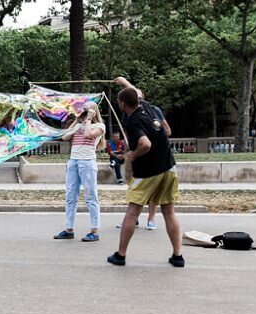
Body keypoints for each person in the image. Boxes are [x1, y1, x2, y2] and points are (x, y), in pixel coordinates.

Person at [108, 87, 184, 267]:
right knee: (168, 211)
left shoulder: (132, 122)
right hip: (168, 166)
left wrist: (133, 154)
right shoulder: (147, 106)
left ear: (122, 104)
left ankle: (120, 255)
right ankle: (178, 256)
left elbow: (145, 143)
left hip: (148, 172)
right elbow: (135, 92)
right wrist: (123, 82)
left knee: (133, 211)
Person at [114, 76, 172, 230]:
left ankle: (150, 218)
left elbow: (164, 132)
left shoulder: (151, 110)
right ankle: (135, 218)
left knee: (153, 192)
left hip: (152, 159)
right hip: (138, 157)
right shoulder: (129, 113)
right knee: (133, 187)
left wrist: (155, 139)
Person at [54, 102, 105, 242]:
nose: (83, 112)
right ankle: (69, 229)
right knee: (70, 196)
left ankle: (94, 231)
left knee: (91, 196)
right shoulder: (78, 125)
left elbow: (89, 135)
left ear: (94, 111)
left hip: (87, 162)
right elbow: (65, 137)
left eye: (86, 109)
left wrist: (88, 119)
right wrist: (77, 120)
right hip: (73, 161)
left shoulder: (99, 126)